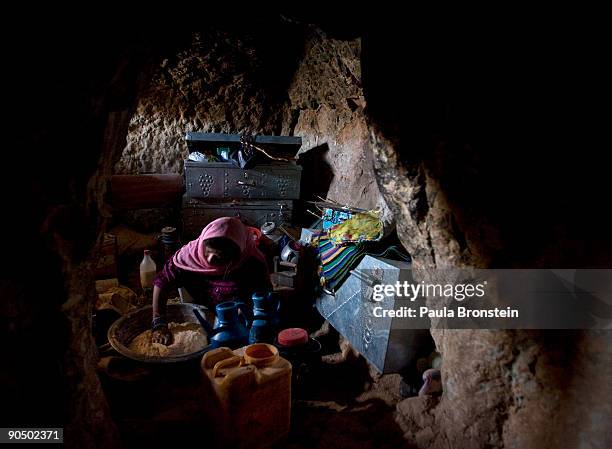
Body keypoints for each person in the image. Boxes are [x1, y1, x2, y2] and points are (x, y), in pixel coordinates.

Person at [151, 217, 271, 345]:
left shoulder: (251, 262)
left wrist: (246, 315)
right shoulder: (190, 256)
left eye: (218, 256)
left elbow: (263, 298)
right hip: (202, 313)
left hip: (238, 321)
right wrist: (159, 323)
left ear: (234, 257)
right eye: (207, 252)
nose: (209, 259)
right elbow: (162, 283)